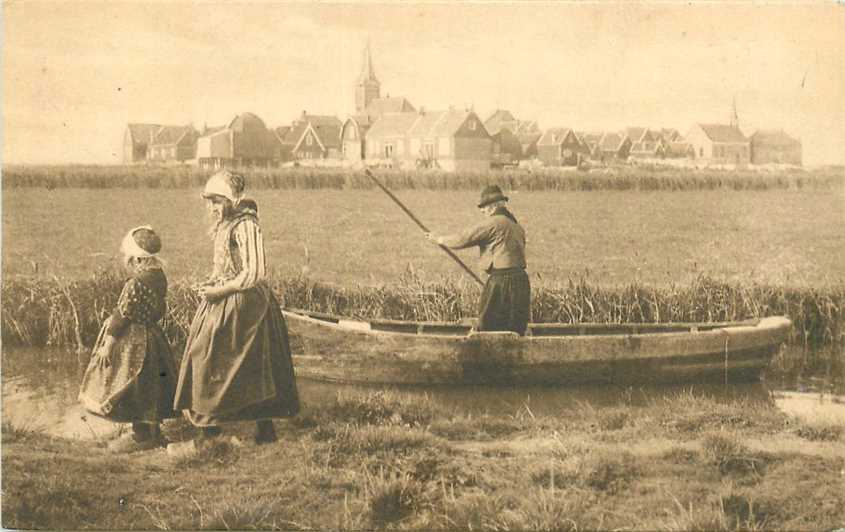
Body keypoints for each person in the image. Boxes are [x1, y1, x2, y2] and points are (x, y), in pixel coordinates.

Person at [171, 170, 299, 449]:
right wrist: (211, 281)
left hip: (248, 305)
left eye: (216, 202)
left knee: (247, 364)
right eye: (209, 202)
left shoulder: (246, 225)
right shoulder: (225, 225)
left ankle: (253, 430)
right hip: (224, 299)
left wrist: (221, 290)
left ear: (229, 200)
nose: (211, 208)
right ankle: (214, 429)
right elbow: (226, 266)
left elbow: (255, 272)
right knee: (212, 359)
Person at [78, 226, 177, 452]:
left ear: (136, 259)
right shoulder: (159, 276)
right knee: (151, 384)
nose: (126, 261)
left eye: (127, 257)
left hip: (134, 341)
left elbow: (122, 315)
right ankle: (153, 431)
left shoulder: (135, 283)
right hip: (153, 336)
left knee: (131, 383)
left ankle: (142, 437)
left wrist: (108, 345)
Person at [425, 185, 531, 335]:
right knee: (515, 327)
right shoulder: (516, 226)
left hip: (501, 281)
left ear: (493, 206)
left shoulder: (494, 223)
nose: (482, 210)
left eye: (484, 207)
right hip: (521, 281)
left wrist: (439, 239)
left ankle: (484, 355)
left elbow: (464, 238)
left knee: (488, 325)